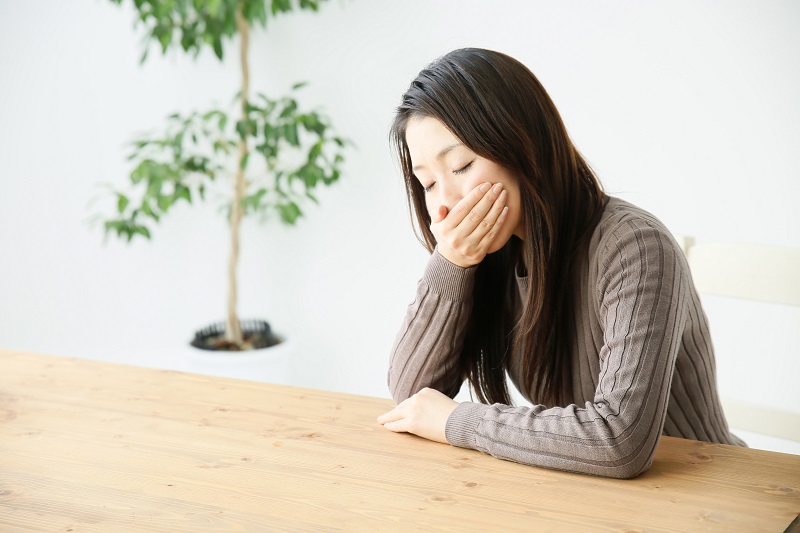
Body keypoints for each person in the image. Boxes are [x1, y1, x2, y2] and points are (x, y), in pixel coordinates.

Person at [376, 48, 745, 479]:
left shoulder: (636, 246)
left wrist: (457, 421)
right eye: (428, 183)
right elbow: (413, 397)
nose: (445, 203)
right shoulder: (492, 258)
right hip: (584, 492)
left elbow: (618, 440)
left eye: (461, 165)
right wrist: (451, 262)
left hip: (705, 492)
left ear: (520, 142)